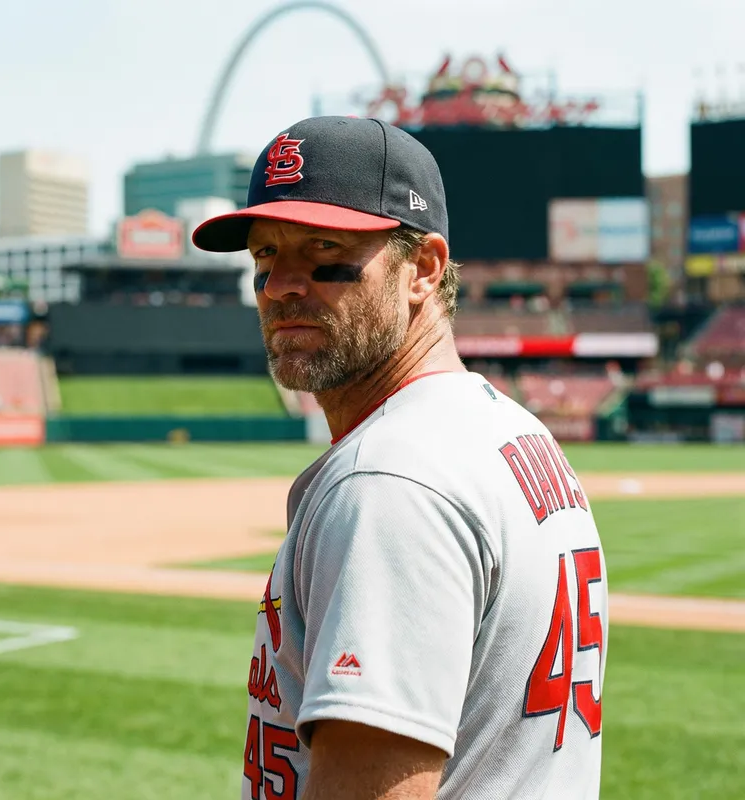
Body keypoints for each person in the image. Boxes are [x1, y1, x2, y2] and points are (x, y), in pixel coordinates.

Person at [193, 116, 608, 800]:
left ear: (423, 269)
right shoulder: (512, 433)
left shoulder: (391, 480)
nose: (280, 285)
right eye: (265, 256)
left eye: (323, 249)